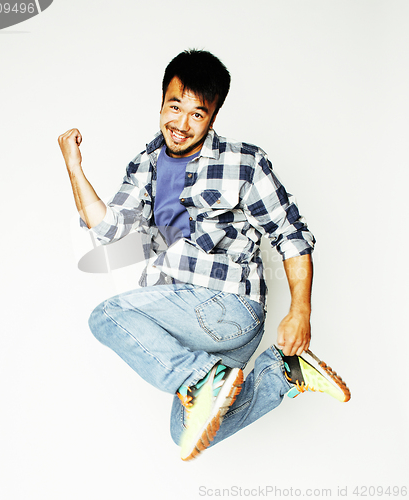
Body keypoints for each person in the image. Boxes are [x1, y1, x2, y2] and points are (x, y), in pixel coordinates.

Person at [58, 49, 351, 462]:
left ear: (213, 117)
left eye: (197, 114)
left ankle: (202, 376)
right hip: (192, 320)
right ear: (161, 102)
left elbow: (290, 234)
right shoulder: (145, 165)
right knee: (186, 434)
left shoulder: (244, 163)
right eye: (174, 107)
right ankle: (282, 372)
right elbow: (107, 229)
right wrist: (74, 166)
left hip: (229, 305)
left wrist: (300, 309)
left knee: (107, 316)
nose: (180, 124)